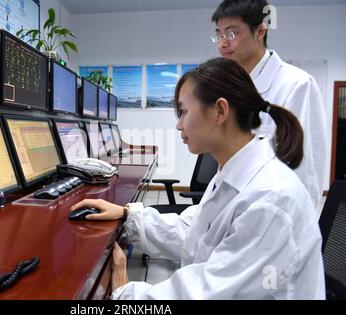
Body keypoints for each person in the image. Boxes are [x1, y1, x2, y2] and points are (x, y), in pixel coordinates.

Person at [71, 58, 325, 299]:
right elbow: (194, 233)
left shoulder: (269, 199)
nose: (179, 125)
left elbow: (210, 293)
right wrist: (129, 216)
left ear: (219, 111)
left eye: (183, 112)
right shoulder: (235, 172)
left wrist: (126, 292)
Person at [211, 0, 328, 207]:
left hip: (274, 217)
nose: (222, 43)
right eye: (219, 35)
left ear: (260, 31)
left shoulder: (297, 85)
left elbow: (305, 172)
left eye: (231, 33)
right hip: (235, 207)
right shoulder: (231, 87)